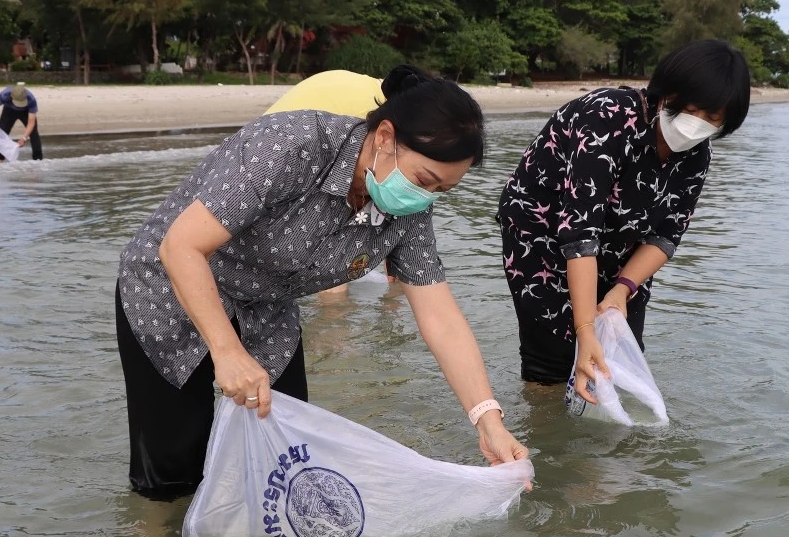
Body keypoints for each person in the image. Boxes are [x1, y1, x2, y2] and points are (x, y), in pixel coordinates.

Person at [116, 64, 529, 499]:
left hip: (266, 308)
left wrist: (489, 422)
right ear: (385, 137)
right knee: (172, 470)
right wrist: (226, 351)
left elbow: (440, 316)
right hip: (168, 289)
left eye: (440, 191)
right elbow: (181, 247)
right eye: (425, 180)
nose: (425, 197)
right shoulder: (291, 145)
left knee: (286, 460)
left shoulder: (409, 210)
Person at [496, 39, 751, 401]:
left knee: (620, 354)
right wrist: (584, 330)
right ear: (668, 92)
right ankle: (544, 435)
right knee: (551, 360)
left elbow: (667, 234)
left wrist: (621, 290)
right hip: (542, 234)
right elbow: (580, 233)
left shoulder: (697, 155)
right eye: (691, 109)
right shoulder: (607, 116)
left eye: (712, 118)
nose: (697, 125)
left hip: (622, 241)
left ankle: (602, 452)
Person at [0, 81, 42, 160]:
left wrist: (24, 138)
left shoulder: (31, 99)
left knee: (34, 134)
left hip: (26, 112)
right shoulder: (5, 94)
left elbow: (31, 122)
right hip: (9, 111)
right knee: (2, 133)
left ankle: (38, 161)